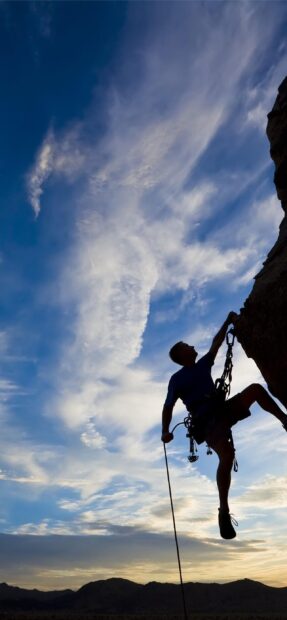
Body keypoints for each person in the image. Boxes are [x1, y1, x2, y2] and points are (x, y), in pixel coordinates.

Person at [161, 311, 287, 540]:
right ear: (182, 355)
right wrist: (165, 431)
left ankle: (285, 420)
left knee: (256, 390)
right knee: (227, 455)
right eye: (186, 345)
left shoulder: (202, 365)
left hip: (221, 409)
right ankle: (224, 510)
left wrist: (228, 321)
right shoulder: (177, 379)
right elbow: (168, 406)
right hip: (207, 422)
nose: (191, 346)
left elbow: (216, 344)